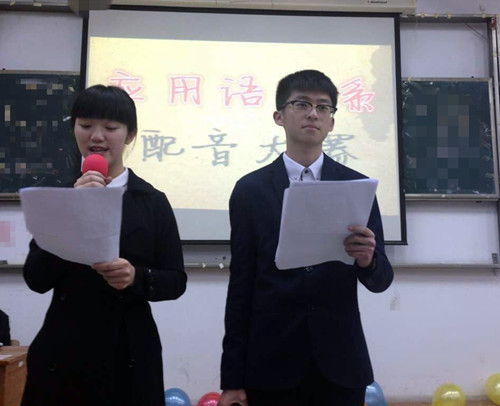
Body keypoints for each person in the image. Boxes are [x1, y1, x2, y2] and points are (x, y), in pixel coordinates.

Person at [218, 70, 393, 406]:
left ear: (331, 123)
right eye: (302, 104)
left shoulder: (357, 187)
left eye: (323, 107)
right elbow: (241, 286)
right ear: (279, 116)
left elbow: (381, 280)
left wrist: (368, 260)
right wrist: (232, 378)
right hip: (271, 362)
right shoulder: (250, 190)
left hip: (341, 363)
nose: (313, 113)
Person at [22, 85, 187, 406]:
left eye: (110, 127)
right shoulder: (58, 197)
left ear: (130, 134)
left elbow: (175, 280)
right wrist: (74, 207)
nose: (96, 136)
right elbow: (36, 278)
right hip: (63, 354)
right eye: (85, 125)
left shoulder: (151, 201)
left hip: (129, 353)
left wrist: (135, 277)